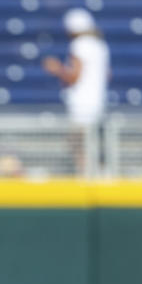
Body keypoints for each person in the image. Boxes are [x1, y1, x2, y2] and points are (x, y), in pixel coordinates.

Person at [42, 9, 109, 176]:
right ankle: (99, 173)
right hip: (98, 102)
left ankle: (88, 175)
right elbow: (107, 74)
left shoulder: (79, 45)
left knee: (78, 144)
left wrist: (57, 68)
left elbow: (74, 76)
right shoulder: (100, 46)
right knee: (92, 143)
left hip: (81, 104)